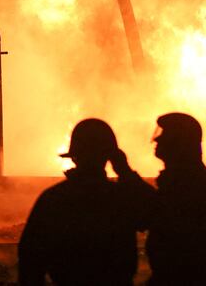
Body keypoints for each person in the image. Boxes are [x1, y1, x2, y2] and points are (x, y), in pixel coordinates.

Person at [18, 118, 154, 286]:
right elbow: (158, 211)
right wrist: (125, 171)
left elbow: (30, 257)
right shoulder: (120, 197)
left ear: (74, 157)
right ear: (109, 156)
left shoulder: (54, 198)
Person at [146, 112, 206, 285]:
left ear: (177, 140)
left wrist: (125, 171)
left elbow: (153, 208)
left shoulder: (187, 184)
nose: (157, 139)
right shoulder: (185, 179)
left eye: (164, 134)